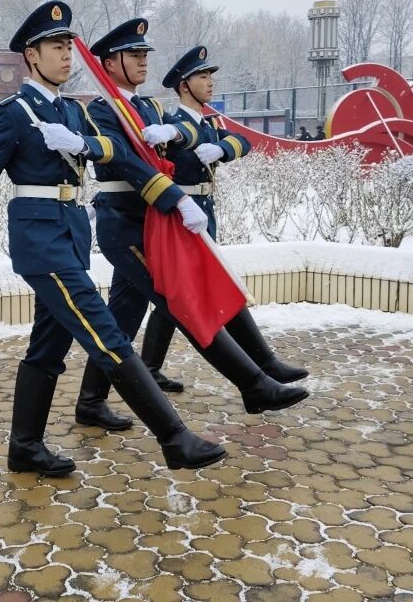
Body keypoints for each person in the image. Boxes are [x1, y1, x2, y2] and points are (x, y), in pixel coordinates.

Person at [0, 1, 227, 475]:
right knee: (105, 334)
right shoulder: (14, 113)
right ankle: (174, 438)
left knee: (48, 346)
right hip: (39, 241)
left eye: (69, 46)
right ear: (32, 56)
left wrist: (164, 193)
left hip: (70, 235)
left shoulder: (71, 110)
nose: (67, 56)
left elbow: (118, 152)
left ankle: (25, 447)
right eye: (56, 47)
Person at [128, 42, 309, 403]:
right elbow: (183, 134)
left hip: (203, 212)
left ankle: (150, 366)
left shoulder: (209, 123)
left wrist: (223, 148)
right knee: (210, 286)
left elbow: (242, 142)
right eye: (202, 77)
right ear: (184, 85)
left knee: (171, 296)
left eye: (210, 76)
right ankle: (264, 363)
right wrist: (182, 136)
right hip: (182, 215)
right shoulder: (172, 124)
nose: (210, 82)